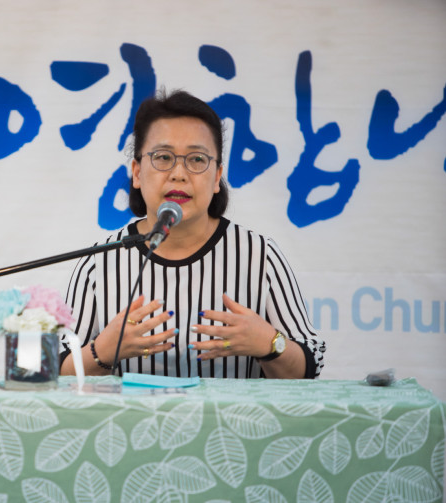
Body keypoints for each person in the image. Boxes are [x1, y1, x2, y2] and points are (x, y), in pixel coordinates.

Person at [60, 89, 326, 379]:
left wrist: (270, 344)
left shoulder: (260, 256)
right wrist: (101, 352)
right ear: (137, 172)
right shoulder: (99, 263)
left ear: (217, 177)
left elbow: (309, 369)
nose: (179, 174)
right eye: (163, 157)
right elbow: (57, 373)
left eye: (197, 159)